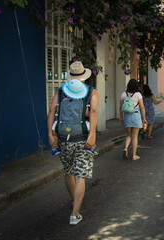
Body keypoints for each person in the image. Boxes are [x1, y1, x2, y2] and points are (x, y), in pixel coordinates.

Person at [47, 61, 99, 225]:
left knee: (68, 172)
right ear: (84, 76)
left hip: (63, 137)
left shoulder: (61, 91)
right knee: (80, 175)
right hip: (82, 137)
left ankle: (74, 200)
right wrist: (92, 135)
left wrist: (50, 134)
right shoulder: (91, 91)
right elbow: (94, 113)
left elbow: (51, 112)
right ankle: (74, 214)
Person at [120, 79, 147, 160]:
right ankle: (134, 155)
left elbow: (120, 107)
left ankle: (125, 148)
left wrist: (121, 117)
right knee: (135, 136)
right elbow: (142, 107)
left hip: (127, 116)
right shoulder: (138, 94)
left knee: (128, 135)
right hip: (136, 115)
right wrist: (144, 118)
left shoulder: (124, 94)